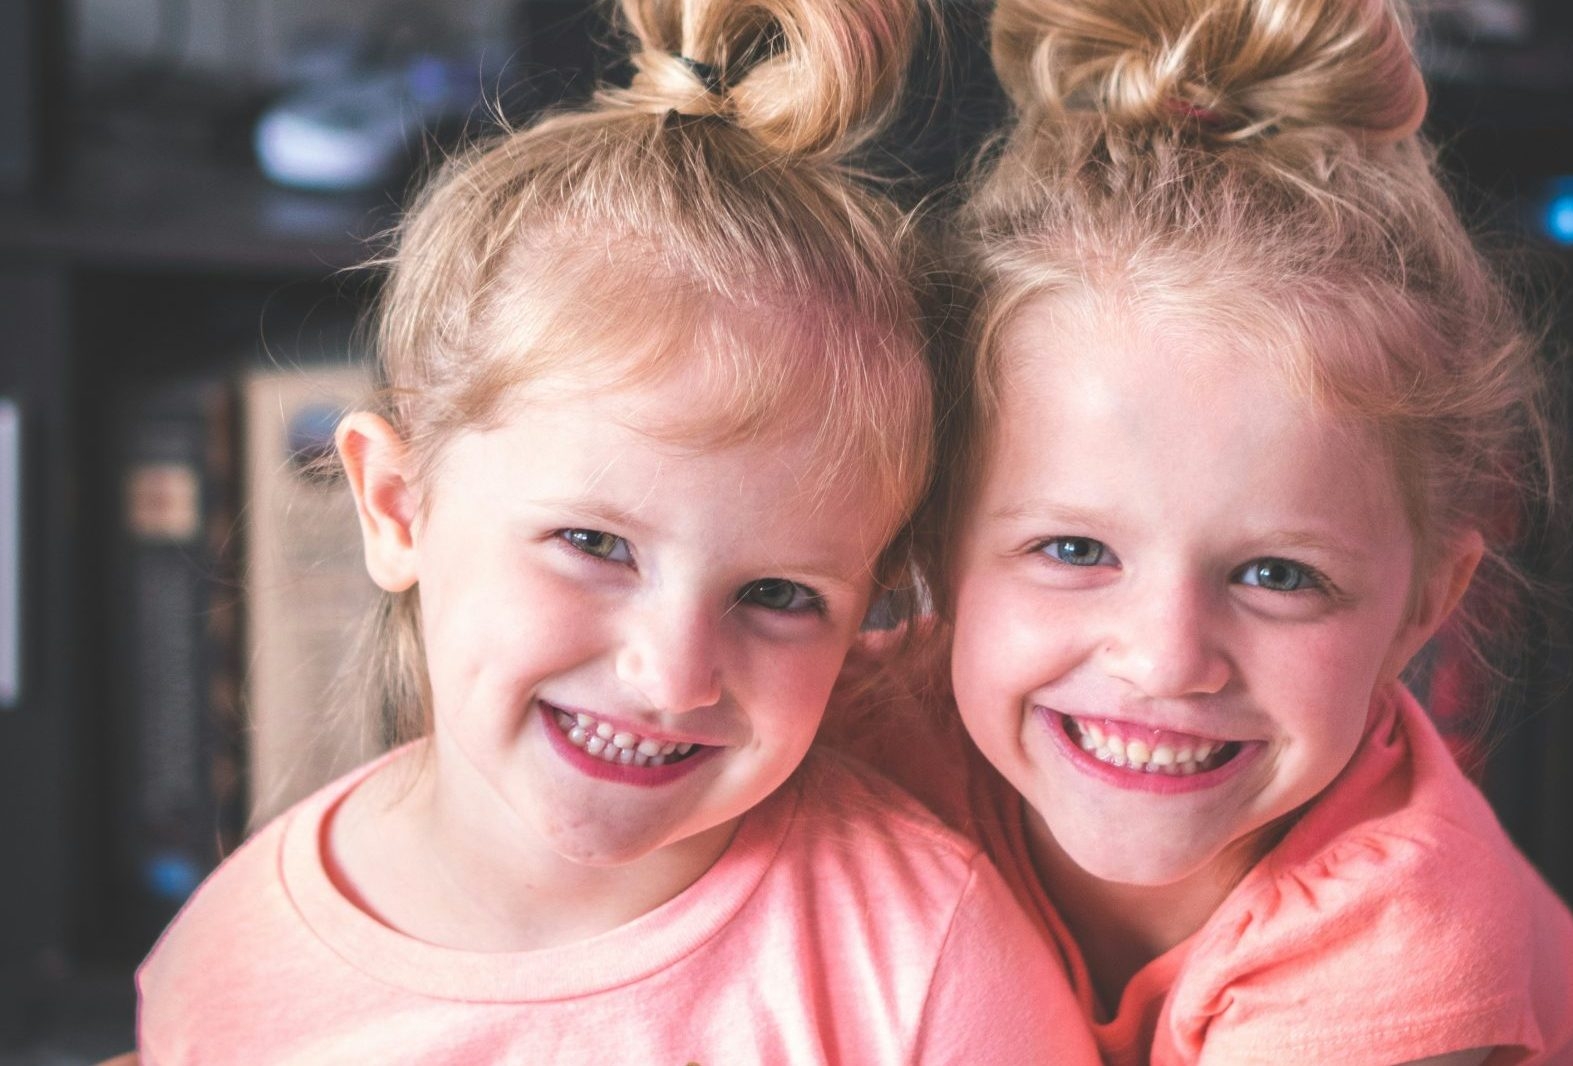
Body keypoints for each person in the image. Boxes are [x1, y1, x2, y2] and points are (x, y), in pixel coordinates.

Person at [133, 1, 1099, 1061]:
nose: (675, 671)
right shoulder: (226, 970)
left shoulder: (931, 971)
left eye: (777, 595)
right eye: (595, 545)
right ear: (395, 505)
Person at [846, 0, 1573, 1061]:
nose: (1164, 657)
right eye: (1074, 550)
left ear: (1427, 601)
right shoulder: (859, 740)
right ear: (931, 543)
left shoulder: (1399, 939)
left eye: (1276, 573)